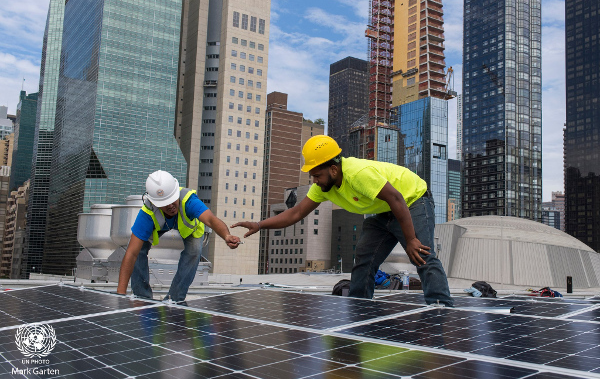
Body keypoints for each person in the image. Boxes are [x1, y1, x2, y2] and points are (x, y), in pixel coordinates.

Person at [233, 135, 453, 306]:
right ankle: (359, 307)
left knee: (422, 256)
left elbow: (396, 198)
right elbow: (296, 213)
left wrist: (411, 239)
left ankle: (441, 311)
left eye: (317, 176)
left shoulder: (358, 174)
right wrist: (260, 225)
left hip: (412, 200)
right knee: (364, 259)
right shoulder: (324, 187)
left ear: (334, 169)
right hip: (386, 210)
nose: (315, 181)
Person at [117, 170, 240, 302]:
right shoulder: (148, 211)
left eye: (172, 200)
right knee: (137, 248)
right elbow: (131, 254)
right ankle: (142, 297)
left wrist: (226, 236)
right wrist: (120, 295)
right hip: (160, 225)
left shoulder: (188, 200)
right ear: (155, 203)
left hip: (190, 230)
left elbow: (210, 219)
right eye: (164, 203)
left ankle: (174, 298)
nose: (170, 206)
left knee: (194, 252)